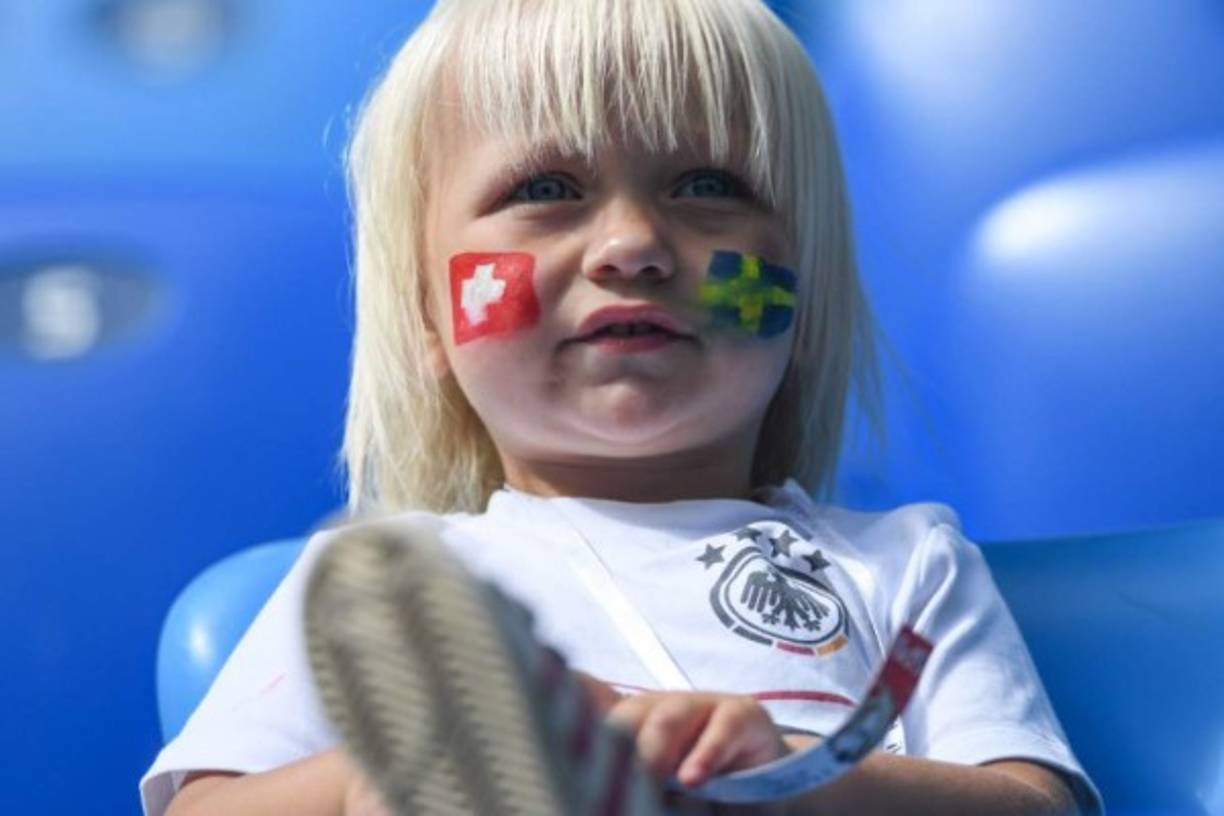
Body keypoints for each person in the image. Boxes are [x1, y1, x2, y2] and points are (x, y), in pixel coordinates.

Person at [140, 0, 1103, 813]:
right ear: (427, 319)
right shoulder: (380, 583)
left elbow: (1031, 802)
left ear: (804, 299)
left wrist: (791, 779)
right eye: (548, 189)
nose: (634, 244)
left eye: (708, 186)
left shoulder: (907, 565)